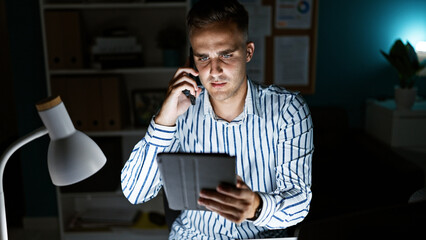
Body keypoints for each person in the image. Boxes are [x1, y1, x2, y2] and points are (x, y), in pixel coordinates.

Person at [121, 0, 314, 239]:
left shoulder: (288, 110)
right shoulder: (181, 109)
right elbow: (135, 193)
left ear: (248, 52)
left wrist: (257, 207)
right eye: (203, 58)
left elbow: (300, 203)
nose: (214, 70)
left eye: (226, 55)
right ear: (192, 62)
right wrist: (164, 120)